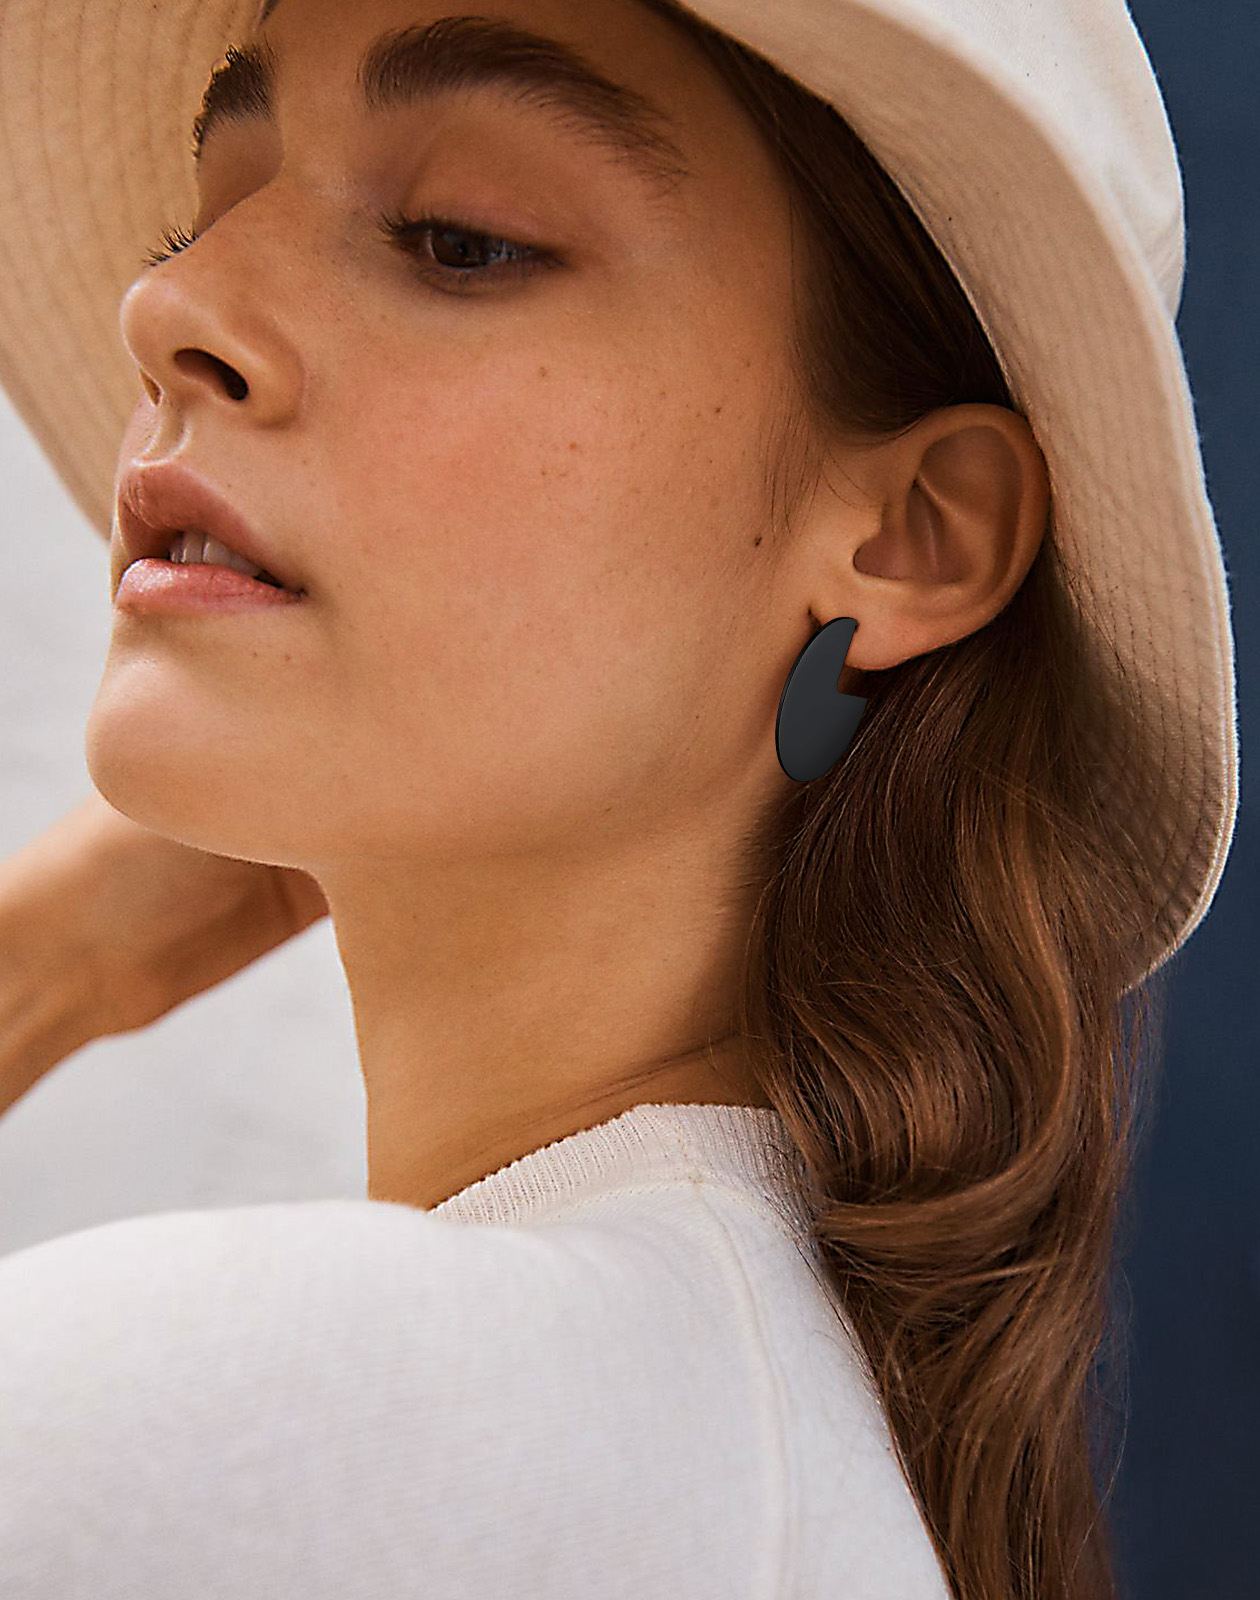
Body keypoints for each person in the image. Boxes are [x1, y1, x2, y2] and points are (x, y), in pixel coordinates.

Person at [0, 0, 1239, 1597]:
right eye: (205, 212)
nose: (169, 302)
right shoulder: (765, 1417)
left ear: (914, 535)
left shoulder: (236, 1422)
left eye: (459, 241)